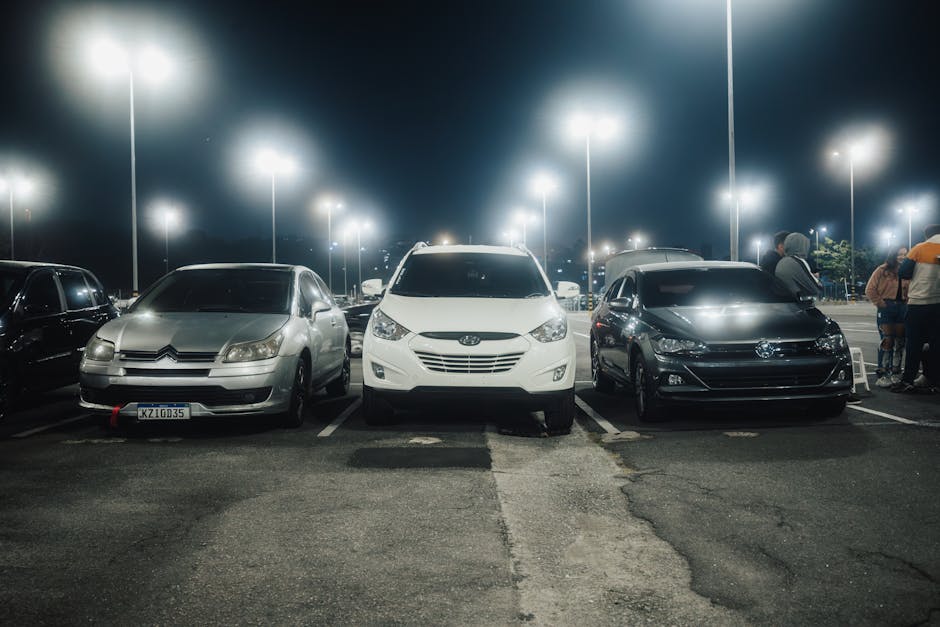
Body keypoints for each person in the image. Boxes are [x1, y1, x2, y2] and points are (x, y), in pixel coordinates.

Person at [891, 224, 940, 393]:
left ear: (927, 235)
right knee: (935, 344)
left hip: (918, 303)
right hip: (938, 304)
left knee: (914, 344)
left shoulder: (919, 248)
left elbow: (904, 272)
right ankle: (934, 380)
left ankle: (908, 380)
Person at [864, 246, 909, 386]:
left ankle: (896, 372)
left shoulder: (907, 270)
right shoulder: (882, 270)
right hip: (886, 308)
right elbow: (869, 289)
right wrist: (881, 303)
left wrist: (908, 302)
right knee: (887, 341)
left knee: (900, 342)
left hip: (902, 308)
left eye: (905, 254)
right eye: (899, 254)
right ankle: (883, 374)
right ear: (893, 255)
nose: (902, 257)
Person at [775, 232, 822, 300]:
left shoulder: (781, 262)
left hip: (783, 300)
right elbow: (816, 288)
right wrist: (816, 278)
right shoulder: (798, 261)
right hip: (794, 304)